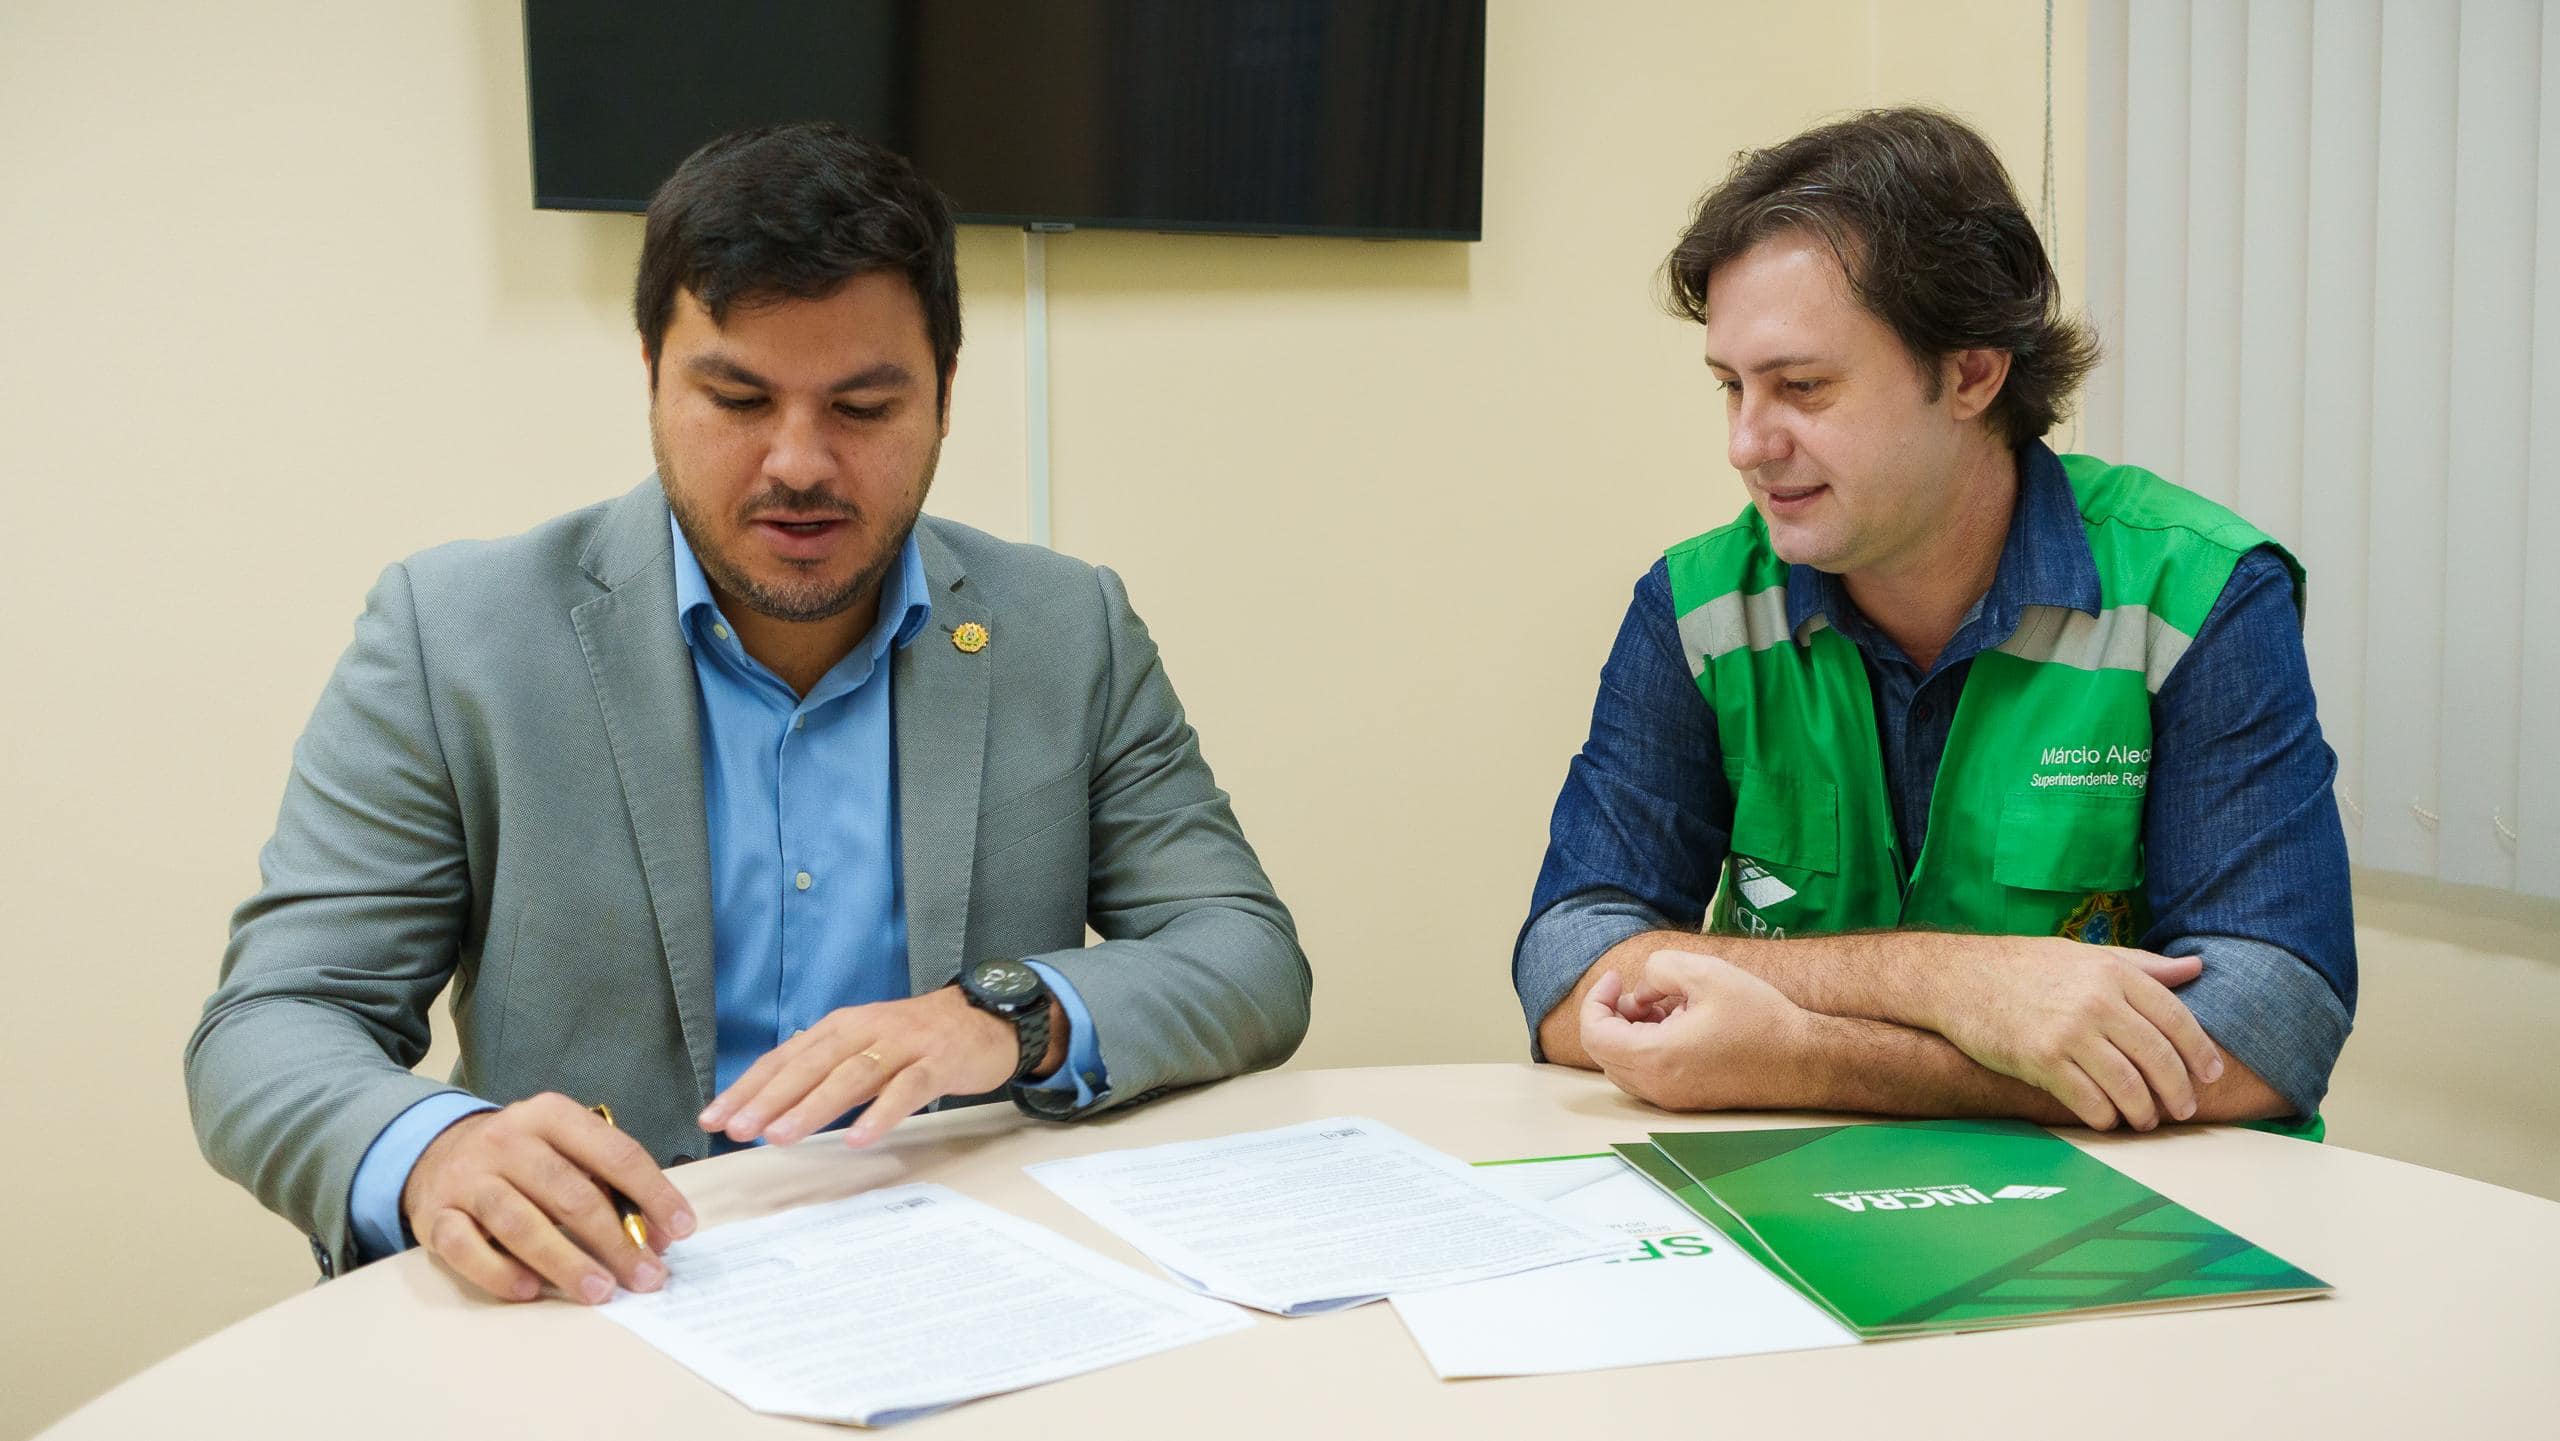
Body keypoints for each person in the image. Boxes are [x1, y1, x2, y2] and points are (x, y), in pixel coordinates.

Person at [187, 122, 1309, 1304]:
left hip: (967, 1286)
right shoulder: (455, 631)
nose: (799, 464)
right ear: (652, 375)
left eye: (865, 407)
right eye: (735, 398)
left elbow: (1243, 954)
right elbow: (277, 1019)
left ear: (944, 395)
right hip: (607, 1295)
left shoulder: (1064, 626)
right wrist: (435, 1149)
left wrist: (1005, 1017)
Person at [1514, 107, 2352, 1136]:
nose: (1744, 441)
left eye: (1802, 387)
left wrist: (1808, 1053)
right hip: (1783, 1202)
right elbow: (1569, 966)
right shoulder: (1694, 606)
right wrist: (1953, 983)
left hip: (2125, 1218)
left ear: (1970, 371)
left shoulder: (2197, 591)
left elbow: (2272, 1026)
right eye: (1730, 386)